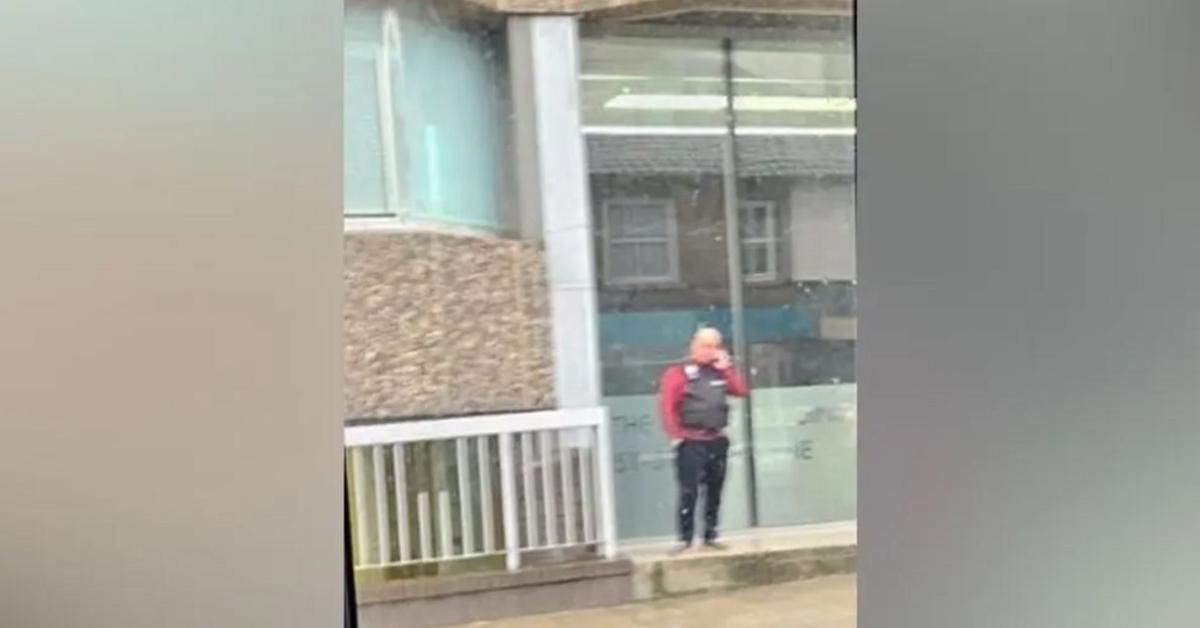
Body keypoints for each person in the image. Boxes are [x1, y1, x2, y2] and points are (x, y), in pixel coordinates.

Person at [658, 327, 748, 555]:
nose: (710, 351)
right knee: (689, 491)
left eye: (715, 346)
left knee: (715, 490)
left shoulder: (719, 373)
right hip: (691, 440)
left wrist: (726, 369)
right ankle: (685, 538)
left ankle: (711, 534)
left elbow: (740, 391)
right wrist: (675, 436)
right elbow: (667, 406)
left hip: (716, 439)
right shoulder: (678, 373)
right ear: (694, 346)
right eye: (706, 346)